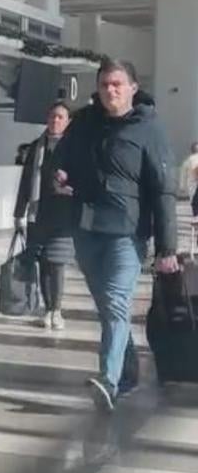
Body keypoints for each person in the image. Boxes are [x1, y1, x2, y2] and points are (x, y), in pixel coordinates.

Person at [53, 59, 177, 411]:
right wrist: (59, 175)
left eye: (118, 84)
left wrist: (167, 246)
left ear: (133, 88)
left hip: (127, 232)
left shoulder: (149, 129)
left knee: (116, 303)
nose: (111, 90)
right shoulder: (84, 123)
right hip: (86, 229)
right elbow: (60, 159)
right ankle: (129, 369)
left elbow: (164, 190)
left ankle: (107, 379)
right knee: (108, 307)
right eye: (105, 83)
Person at [14, 101, 78, 331]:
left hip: (63, 216)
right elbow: (25, 182)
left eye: (61, 117)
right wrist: (18, 213)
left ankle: (57, 310)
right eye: (52, 116)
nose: (55, 121)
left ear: (68, 121)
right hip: (37, 215)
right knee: (42, 263)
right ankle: (47, 308)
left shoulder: (74, 148)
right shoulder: (35, 147)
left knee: (57, 264)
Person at [180, 142, 198, 217]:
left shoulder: (187, 161)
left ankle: (196, 216)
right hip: (193, 183)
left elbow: (183, 175)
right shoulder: (188, 161)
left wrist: (182, 187)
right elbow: (183, 174)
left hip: (192, 184)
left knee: (194, 201)